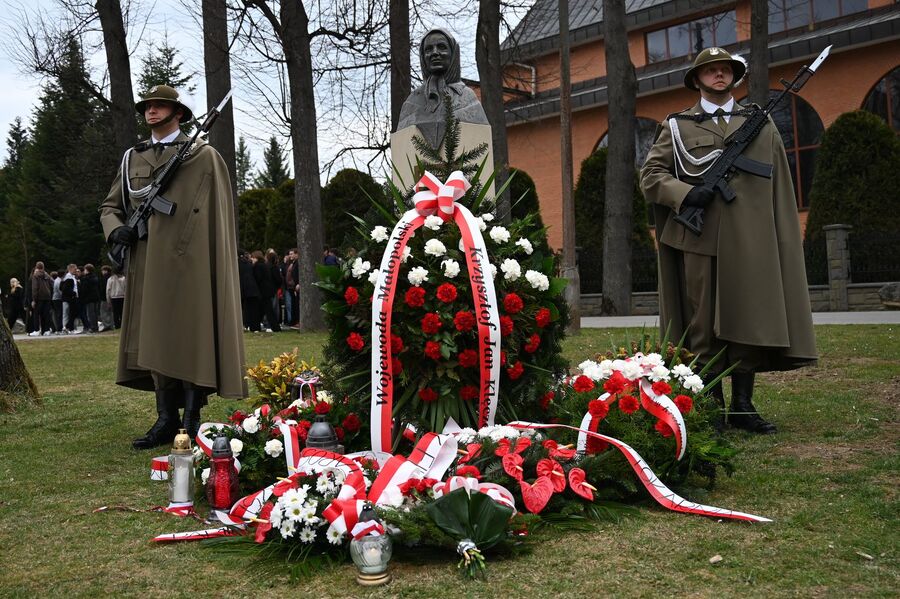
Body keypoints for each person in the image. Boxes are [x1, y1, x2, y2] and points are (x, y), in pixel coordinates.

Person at [639, 47, 817, 434]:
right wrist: (687, 194)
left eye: (726, 70)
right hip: (698, 237)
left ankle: (742, 406)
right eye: (711, 70)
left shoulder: (760, 123)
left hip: (750, 241)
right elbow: (651, 176)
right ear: (696, 79)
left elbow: (778, 183)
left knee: (746, 318)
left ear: (734, 77)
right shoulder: (678, 126)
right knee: (701, 325)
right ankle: (711, 405)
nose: (719, 75)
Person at [99, 83, 246, 450]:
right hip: (148, 264)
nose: (151, 111)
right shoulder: (132, 158)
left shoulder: (202, 155)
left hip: (192, 265)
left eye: (160, 105)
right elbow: (111, 206)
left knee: (192, 337)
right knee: (156, 337)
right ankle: (165, 419)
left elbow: (217, 216)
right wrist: (116, 231)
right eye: (147, 106)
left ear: (178, 113)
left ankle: (192, 417)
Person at [397, 28, 489, 148]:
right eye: (428, 49)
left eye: (441, 47)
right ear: (423, 57)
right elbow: (402, 144)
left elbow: (481, 139)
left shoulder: (467, 97)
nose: (435, 53)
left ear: (453, 53)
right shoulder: (412, 101)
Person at [29, 261, 54, 336]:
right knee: (46, 314)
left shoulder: (35, 275)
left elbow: (35, 288)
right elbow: (52, 283)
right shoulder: (47, 275)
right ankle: (46, 330)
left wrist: (34, 300)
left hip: (39, 297)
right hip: (47, 297)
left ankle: (36, 330)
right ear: (43, 267)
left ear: (36, 267)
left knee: (36, 314)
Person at [79, 264, 101, 334]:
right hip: (96, 297)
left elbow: (84, 289)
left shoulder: (85, 278)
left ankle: (92, 327)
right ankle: (96, 327)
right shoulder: (95, 277)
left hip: (89, 298)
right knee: (95, 313)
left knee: (90, 314)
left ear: (87, 270)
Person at [60, 265, 79, 334]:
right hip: (69, 298)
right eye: (75, 269)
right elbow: (64, 289)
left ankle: (68, 327)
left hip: (70, 298)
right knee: (69, 313)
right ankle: (67, 328)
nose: (76, 270)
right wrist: (73, 293)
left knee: (71, 313)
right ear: (70, 269)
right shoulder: (68, 278)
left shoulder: (71, 277)